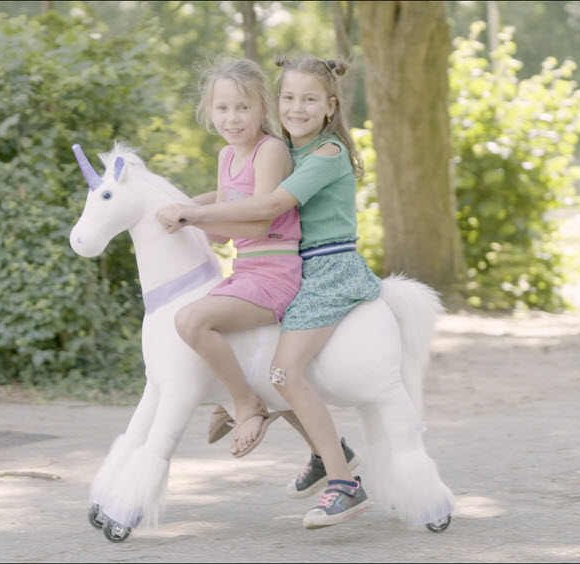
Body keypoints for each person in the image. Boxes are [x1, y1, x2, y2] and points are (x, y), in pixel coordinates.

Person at [158, 54, 380, 529]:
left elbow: (268, 208)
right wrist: (171, 206)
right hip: (289, 266)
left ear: (330, 106)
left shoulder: (322, 154)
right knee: (268, 365)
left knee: (283, 371)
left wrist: (192, 213)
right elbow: (232, 202)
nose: (296, 108)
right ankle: (321, 449)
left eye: (309, 99)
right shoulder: (287, 152)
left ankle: (344, 483)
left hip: (327, 270)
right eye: (290, 98)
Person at [155, 56, 299, 459]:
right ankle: (227, 396)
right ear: (209, 111)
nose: (232, 118)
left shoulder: (269, 151)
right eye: (222, 108)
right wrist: (176, 210)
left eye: (243, 107)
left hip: (276, 274)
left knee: (190, 319)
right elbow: (221, 226)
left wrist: (193, 213)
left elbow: (256, 222)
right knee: (187, 317)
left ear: (263, 109)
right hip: (245, 272)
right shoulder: (225, 157)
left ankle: (245, 402)